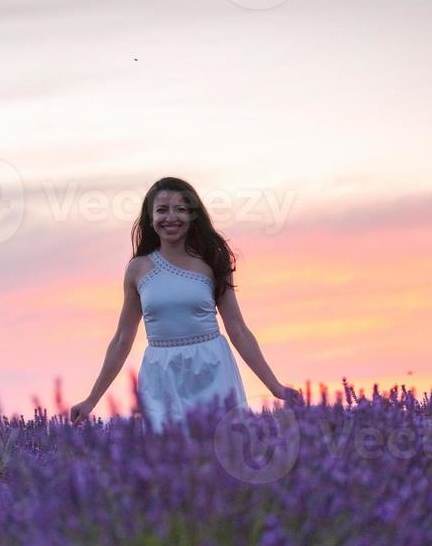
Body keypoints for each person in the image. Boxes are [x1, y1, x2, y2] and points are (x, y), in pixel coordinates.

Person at [70, 176, 301, 432]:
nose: (171, 217)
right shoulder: (138, 269)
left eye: (181, 209)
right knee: (164, 458)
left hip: (212, 369)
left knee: (220, 451)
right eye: (162, 210)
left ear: (193, 216)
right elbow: (122, 339)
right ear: (150, 218)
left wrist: (275, 386)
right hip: (160, 375)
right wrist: (92, 399)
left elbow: (238, 330)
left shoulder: (213, 261)